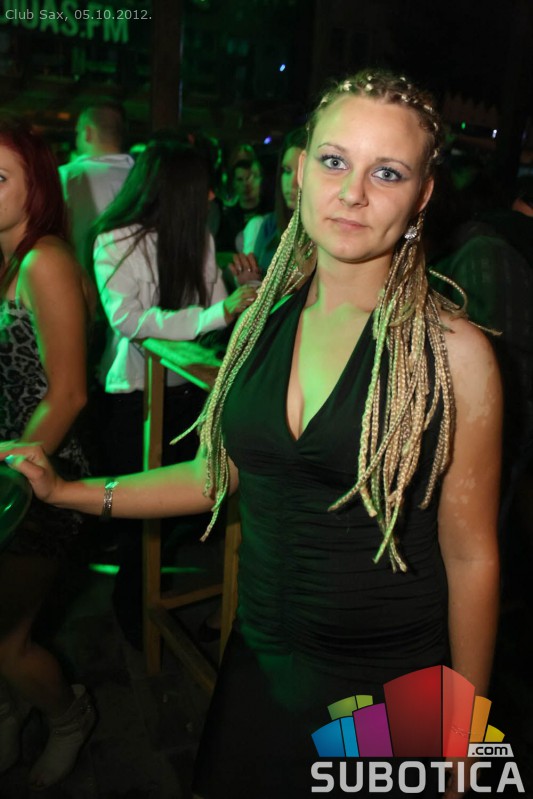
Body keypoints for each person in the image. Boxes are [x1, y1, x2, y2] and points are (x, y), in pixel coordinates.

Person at [1, 70, 501, 799]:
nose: (352, 192)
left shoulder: (451, 351)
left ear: (422, 195)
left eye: (387, 172)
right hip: (260, 656)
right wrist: (69, 491)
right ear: (298, 174)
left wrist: (461, 740)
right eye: (334, 161)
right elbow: (217, 473)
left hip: (385, 679)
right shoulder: (262, 320)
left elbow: (471, 554)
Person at [92, 136, 256, 648]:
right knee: (140, 522)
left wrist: (240, 297)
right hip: (135, 399)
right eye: (204, 187)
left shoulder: (197, 237)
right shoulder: (114, 241)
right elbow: (129, 321)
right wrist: (217, 313)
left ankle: (154, 610)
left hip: (189, 396)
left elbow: (215, 310)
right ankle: (136, 623)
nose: (212, 197)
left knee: (186, 508)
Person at [0, 116, 96, 789]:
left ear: (34, 185)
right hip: (12, 468)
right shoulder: (10, 259)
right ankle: (12, 714)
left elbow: (68, 395)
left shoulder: (46, 259)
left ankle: (69, 718)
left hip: (41, 476)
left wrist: (10, 479)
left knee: (6, 642)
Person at [59, 103, 134, 272]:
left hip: (82, 278)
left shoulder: (67, 176)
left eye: (77, 132)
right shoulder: (140, 175)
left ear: (88, 132)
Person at [239, 127, 307, 275]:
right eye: (287, 171)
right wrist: (249, 280)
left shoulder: (327, 234)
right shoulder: (270, 225)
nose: (292, 183)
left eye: (303, 172)